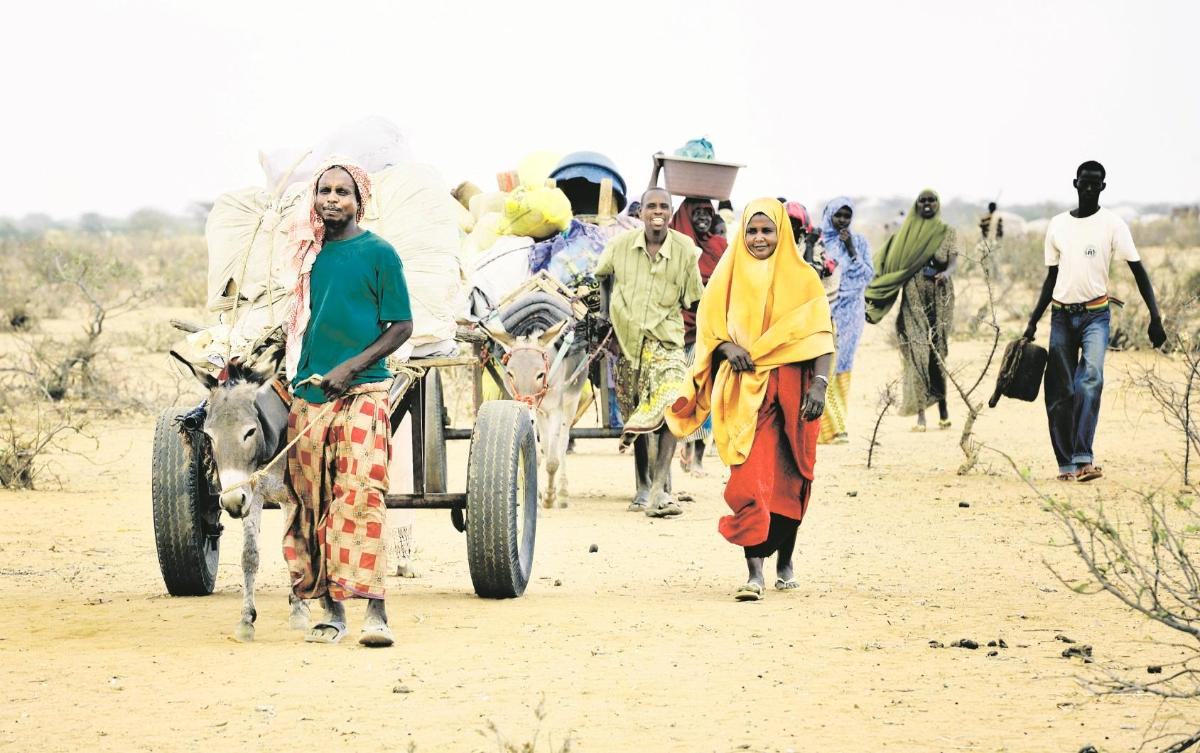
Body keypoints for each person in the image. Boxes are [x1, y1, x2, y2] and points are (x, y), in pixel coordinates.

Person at [667, 199, 834, 601]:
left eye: (767, 230)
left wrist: (820, 384)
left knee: (792, 478)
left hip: (796, 390)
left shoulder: (805, 279)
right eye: (752, 231)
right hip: (746, 392)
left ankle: (786, 561)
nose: (759, 238)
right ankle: (754, 572)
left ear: (782, 233)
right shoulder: (727, 276)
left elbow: (821, 337)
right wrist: (726, 348)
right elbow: (709, 331)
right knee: (749, 479)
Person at [282, 160, 414, 647]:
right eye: (324, 191)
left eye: (342, 192)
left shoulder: (379, 253)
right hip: (309, 396)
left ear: (360, 201)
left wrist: (350, 368)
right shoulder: (306, 257)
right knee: (311, 501)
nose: (332, 199)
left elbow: (401, 327)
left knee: (361, 493)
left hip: (364, 391)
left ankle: (376, 611)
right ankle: (331, 610)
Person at [1023, 161, 1165, 481]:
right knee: (1059, 389)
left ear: (1103, 187)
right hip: (1060, 315)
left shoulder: (1113, 225)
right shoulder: (1058, 225)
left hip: (1095, 316)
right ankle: (1066, 465)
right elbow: (1051, 278)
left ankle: (1084, 458)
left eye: (1095, 184)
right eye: (1084, 183)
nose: (1089, 188)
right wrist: (1033, 321)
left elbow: (1138, 270)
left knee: (1089, 379)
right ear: (1075, 184)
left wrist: (1155, 317)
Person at [596, 187, 703, 517]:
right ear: (641, 212)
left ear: (671, 212)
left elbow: (696, 300)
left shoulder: (685, 250)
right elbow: (603, 278)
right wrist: (603, 314)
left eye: (664, 206)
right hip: (629, 346)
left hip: (667, 342)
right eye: (651, 206)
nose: (658, 211)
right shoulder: (620, 246)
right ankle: (643, 487)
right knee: (637, 414)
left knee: (674, 399)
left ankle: (659, 488)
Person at [865, 189, 959, 431]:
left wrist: (944, 274)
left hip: (940, 299)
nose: (927, 204)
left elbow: (952, 262)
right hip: (914, 298)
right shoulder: (905, 234)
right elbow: (886, 260)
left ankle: (943, 411)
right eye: (923, 200)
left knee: (937, 355)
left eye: (932, 200)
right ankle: (920, 416)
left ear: (938, 204)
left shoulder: (946, 231)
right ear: (917, 205)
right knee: (918, 353)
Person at [671, 197, 729, 477]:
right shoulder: (674, 247)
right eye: (697, 214)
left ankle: (698, 458)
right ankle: (682, 451)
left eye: (708, 213)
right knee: (679, 393)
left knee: (705, 391)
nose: (704, 218)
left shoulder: (719, 247)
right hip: (674, 331)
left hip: (708, 332)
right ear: (685, 217)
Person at [815, 197, 873, 444]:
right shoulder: (818, 242)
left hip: (851, 315)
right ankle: (823, 430)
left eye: (847, 216)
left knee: (843, 365)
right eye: (838, 215)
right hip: (825, 311)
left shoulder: (859, 241)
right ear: (829, 215)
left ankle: (838, 427)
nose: (842, 221)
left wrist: (851, 249)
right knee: (824, 366)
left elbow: (867, 275)